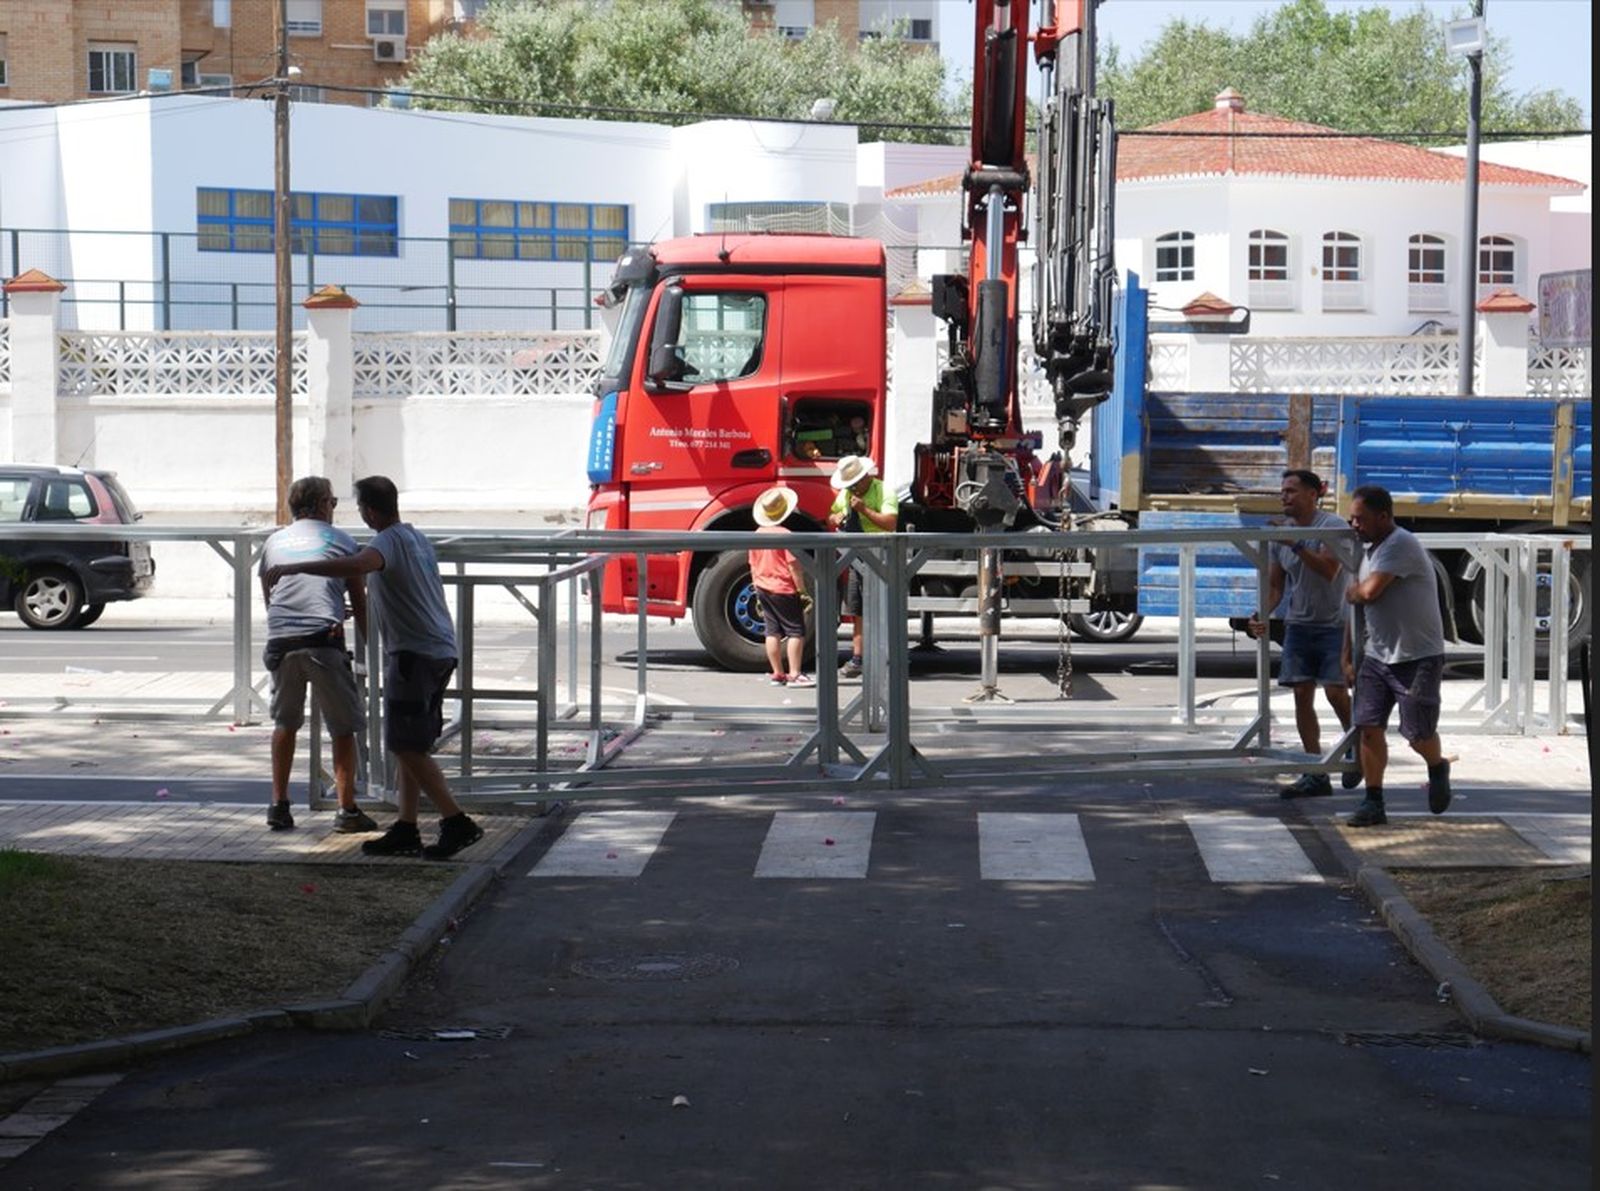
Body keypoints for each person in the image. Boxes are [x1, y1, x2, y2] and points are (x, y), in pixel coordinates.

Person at [264, 475, 483, 860]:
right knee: (407, 744)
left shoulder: (382, 543)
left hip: (412, 654)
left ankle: (456, 822)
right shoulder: (414, 537)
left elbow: (359, 565)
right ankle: (406, 826)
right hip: (435, 649)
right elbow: (375, 590)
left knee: (405, 745)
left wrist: (299, 568)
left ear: (367, 509)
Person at [258, 476, 375, 834]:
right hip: (323, 638)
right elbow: (358, 597)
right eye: (334, 502)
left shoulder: (274, 541)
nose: (334, 508)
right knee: (343, 727)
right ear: (323, 503)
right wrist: (370, 646)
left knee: (285, 723)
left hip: (281, 639)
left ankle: (279, 804)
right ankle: (347, 809)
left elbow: (271, 595)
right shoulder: (342, 540)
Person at [1340, 484, 1451, 827]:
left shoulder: (1400, 543)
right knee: (1368, 727)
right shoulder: (1366, 551)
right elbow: (1355, 612)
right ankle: (1373, 802)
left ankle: (1437, 765)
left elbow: (1368, 594)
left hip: (1417, 656)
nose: (1353, 525)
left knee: (1417, 734)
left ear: (1383, 516)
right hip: (1377, 655)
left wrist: (1353, 591)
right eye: (1351, 518)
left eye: (1360, 519)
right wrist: (1346, 656)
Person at [1246, 469, 1353, 799]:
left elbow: (1329, 570)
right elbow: (1277, 586)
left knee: (1336, 692)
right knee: (1301, 695)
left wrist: (1296, 543)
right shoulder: (1283, 535)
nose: (1284, 497)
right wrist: (1260, 615)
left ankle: (1359, 746)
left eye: (1291, 491)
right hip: (1299, 625)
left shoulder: (1332, 527)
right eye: (1282, 491)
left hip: (1335, 624)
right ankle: (1315, 771)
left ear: (1312, 494)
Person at [827, 455, 898, 679]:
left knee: (881, 608)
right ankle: (858, 658)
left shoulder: (884, 491)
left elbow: (890, 524)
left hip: (880, 556)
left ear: (866, 477)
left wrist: (865, 510)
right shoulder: (846, 493)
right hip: (856, 557)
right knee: (857, 609)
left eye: (856, 483)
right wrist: (835, 517)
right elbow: (830, 515)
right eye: (849, 485)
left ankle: (884, 656)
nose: (853, 488)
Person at [749, 485, 813, 687]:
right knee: (796, 631)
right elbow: (794, 565)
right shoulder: (785, 534)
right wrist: (802, 591)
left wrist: (756, 589)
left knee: (772, 631)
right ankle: (795, 673)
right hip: (783, 588)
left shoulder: (757, 534)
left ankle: (777, 673)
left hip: (763, 587)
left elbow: (752, 565)